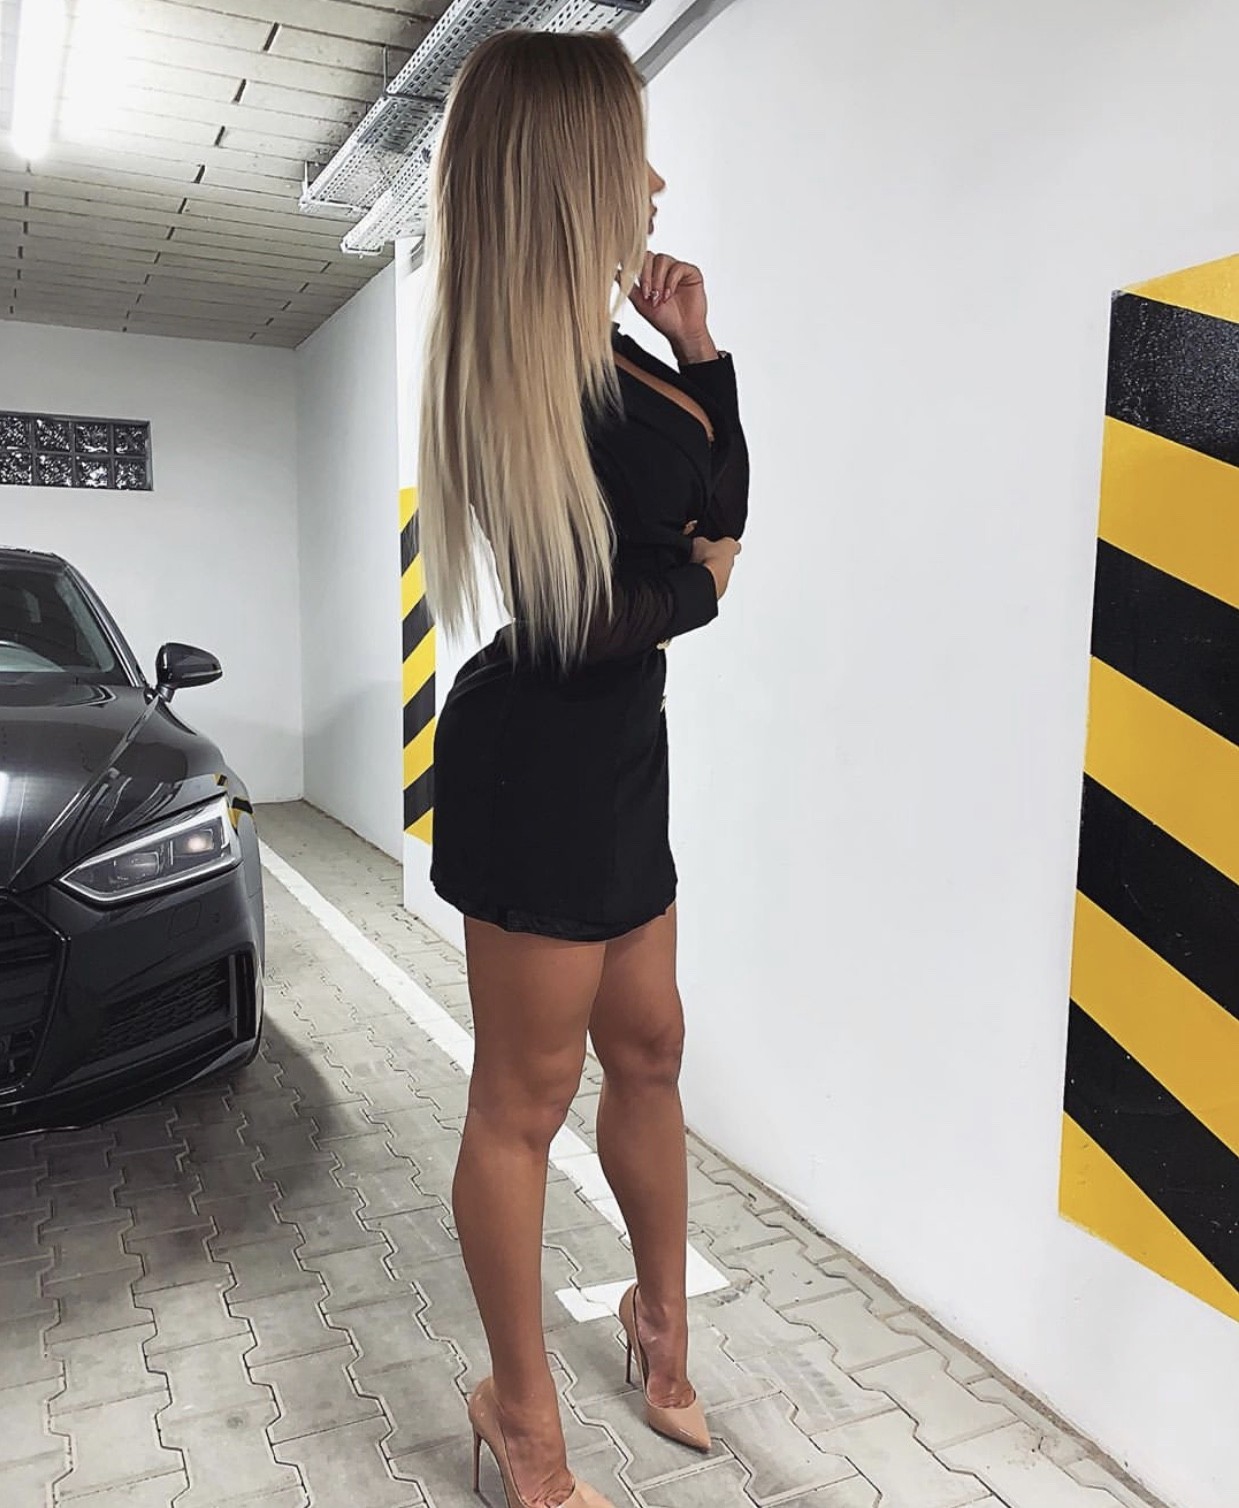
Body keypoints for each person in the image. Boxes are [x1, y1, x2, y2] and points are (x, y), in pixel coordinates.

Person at [417, 26, 749, 1508]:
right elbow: (590, 609)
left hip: (620, 749)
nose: (656, 184)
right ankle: (520, 1418)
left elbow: (716, 500)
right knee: (525, 1098)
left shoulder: (622, 361)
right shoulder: (519, 377)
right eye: (633, 158)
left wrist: (705, 353)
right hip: (540, 766)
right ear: (567, 178)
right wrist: (708, 585)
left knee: (653, 1045)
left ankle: (658, 1325)